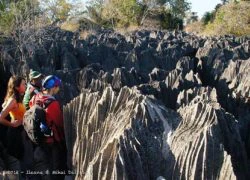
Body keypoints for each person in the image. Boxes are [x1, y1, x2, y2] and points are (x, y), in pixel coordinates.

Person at [29, 75, 67, 180]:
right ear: (53, 87)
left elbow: (30, 105)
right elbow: (59, 123)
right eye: (57, 86)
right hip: (52, 141)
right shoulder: (53, 103)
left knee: (46, 167)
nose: (59, 89)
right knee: (56, 169)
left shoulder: (36, 97)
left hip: (40, 139)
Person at [0, 76, 26, 178]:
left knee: (20, 161)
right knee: (16, 163)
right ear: (16, 87)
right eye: (23, 84)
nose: (25, 85)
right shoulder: (13, 100)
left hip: (19, 133)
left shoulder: (17, 98)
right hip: (14, 135)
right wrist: (12, 124)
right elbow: (0, 117)